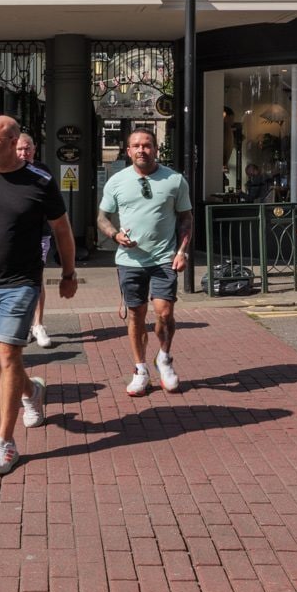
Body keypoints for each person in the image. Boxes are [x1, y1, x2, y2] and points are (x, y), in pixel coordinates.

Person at [0, 115, 76, 477]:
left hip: (22, 282)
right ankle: (32, 391)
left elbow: (62, 229)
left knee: (9, 354)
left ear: (13, 142)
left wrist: (68, 273)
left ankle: (4, 442)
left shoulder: (40, 181)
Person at [97, 127, 191, 396]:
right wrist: (114, 234)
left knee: (164, 313)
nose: (141, 150)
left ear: (156, 149)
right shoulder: (117, 181)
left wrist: (182, 251)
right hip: (129, 260)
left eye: (147, 145)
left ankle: (164, 358)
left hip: (164, 258)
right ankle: (140, 369)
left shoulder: (175, 180)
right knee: (136, 316)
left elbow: (186, 218)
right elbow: (102, 217)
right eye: (136, 146)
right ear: (128, 151)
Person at [15, 133, 57, 349]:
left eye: (27, 149)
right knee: (16, 280)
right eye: (20, 149)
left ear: (35, 148)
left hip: (39, 234)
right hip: (12, 236)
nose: (24, 153)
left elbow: (55, 207)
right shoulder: (5, 171)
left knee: (36, 277)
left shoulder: (43, 172)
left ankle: (38, 324)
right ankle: (23, 325)